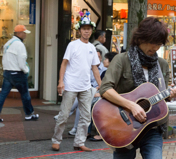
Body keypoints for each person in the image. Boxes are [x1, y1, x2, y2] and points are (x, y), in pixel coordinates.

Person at [99, 17, 176, 159]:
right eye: (153, 43)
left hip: (152, 128)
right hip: (124, 128)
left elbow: (162, 95)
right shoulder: (121, 60)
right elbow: (105, 89)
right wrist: (132, 106)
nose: (156, 48)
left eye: (159, 44)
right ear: (141, 38)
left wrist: (170, 95)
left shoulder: (162, 64)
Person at [51, 16, 101, 152]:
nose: (86, 32)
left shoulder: (92, 47)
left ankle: (79, 142)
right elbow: (64, 63)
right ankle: (56, 140)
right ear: (80, 31)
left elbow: (95, 68)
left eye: (88, 29)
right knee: (64, 115)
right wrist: (60, 81)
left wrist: (101, 84)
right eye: (84, 29)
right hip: (71, 85)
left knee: (86, 117)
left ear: (91, 31)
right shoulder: (72, 45)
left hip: (85, 87)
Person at [0, 25, 39, 122]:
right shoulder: (20, 45)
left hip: (7, 73)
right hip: (18, 74)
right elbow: (22, 62)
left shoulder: (8, 43)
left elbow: (4, 58)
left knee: (2, 94)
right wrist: (26, 70)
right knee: (25, 95)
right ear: (19, 33)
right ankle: (29, 114)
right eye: (24, 33)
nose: (25, 35)